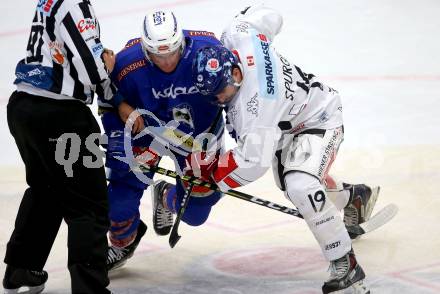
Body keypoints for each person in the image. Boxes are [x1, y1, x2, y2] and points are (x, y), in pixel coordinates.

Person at [191, 5, 375, 293]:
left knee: (300, 185)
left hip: (319, 118)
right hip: (287, 122)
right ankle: (354, 198)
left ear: (236, 73)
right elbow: (267, 15)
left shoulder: (255, 107)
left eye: (222, 92)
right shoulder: (239, 37)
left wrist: (212, 177)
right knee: (296, 185)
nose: (219, 99)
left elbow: (251, 163)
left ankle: (345, 262)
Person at [3, 0, 122, 293]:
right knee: (89, 204)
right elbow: (91, 68)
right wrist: (107, 72)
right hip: (62, 116)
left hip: (23, 108)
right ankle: (89, 288)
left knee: (46, 192)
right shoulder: (75, 5)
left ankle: (20, 268)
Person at [98, 10, 225, 271]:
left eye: (172, 52)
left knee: (196, 213)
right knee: (119, 202)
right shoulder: (127, 64)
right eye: (158, 54)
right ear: (146, 49)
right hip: (147, 136)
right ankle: (122, 243)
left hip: (197, 139)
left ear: (182, 42)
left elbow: (236, 87)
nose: (166, 61)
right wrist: (121, 142)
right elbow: (108, 104)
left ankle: (166, 196)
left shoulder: (209, 51)